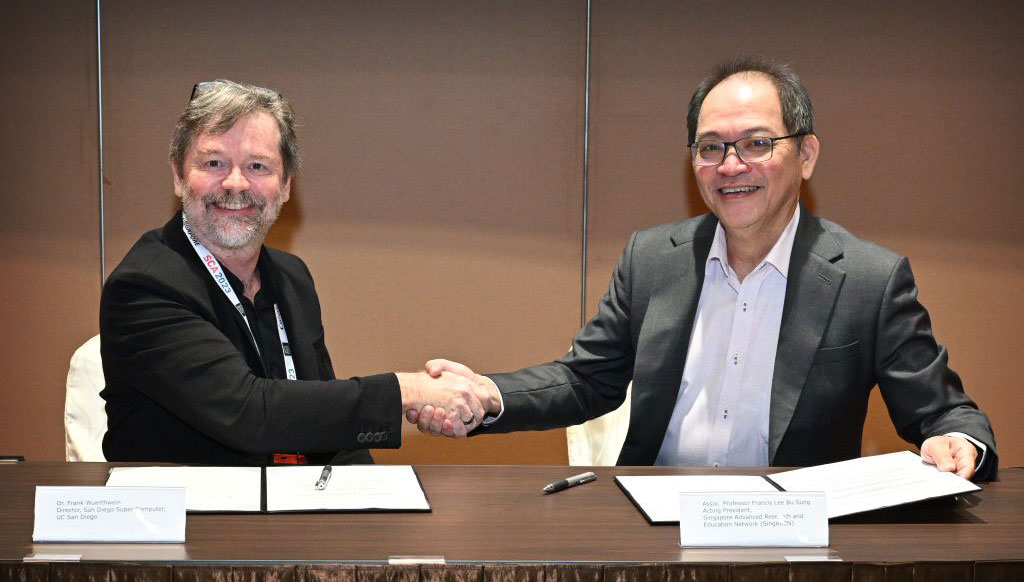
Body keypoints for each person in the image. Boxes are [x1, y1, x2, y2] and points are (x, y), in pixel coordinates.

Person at [416, 57, 997, 480]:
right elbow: (586, 379)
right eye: (710, 147)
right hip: (653, 533)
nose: (731, 165)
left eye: (757, 143)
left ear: (808, 155)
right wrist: (490, 394)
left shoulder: (869, 279)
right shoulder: (652, 259)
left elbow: (947, 412)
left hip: (794, 540)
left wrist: (955, 440)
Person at [100, 79, 492, 465]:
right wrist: (409, 391)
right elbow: (250, 412)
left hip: (289, 518)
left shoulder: (292, 278)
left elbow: (326, 424)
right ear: (178, 175)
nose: (236, 184)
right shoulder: (144, 286)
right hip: (191, 522)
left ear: (285, 184)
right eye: (214, 163)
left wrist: (376, 505)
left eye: (258, 166)